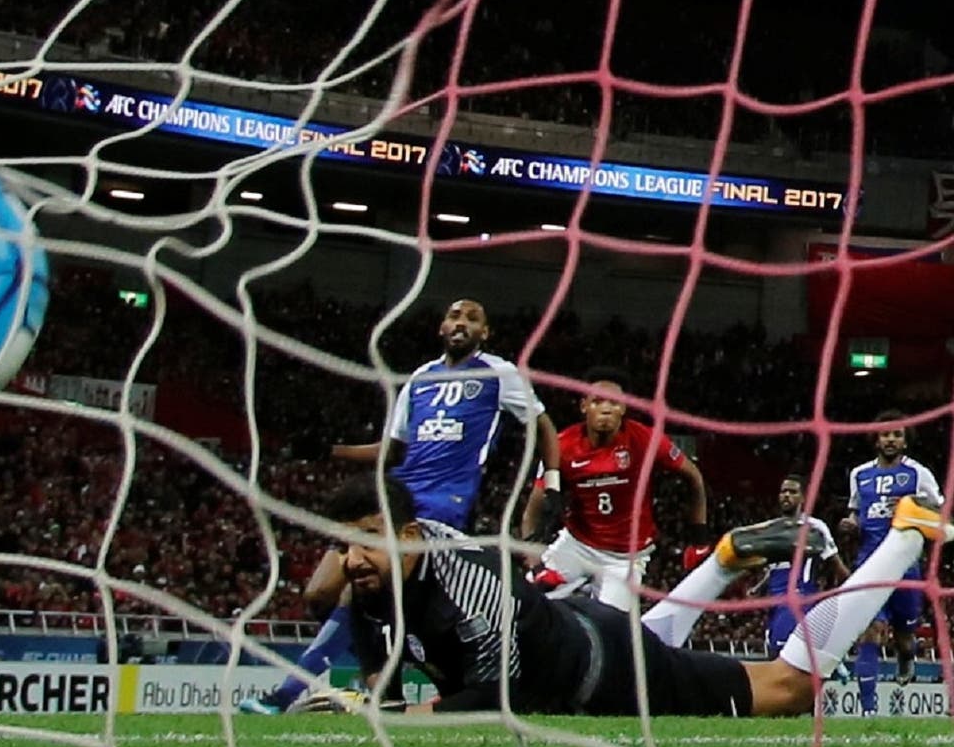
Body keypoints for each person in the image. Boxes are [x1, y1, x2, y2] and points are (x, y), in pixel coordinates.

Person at [325, 472, 951, 717]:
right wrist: (366, 704)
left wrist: (397, 716)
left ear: (409, 536)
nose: (352, 561)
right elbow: (375, 655)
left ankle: (904, 534)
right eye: (344, 545)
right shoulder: (386, 567)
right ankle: (725, 559)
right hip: (581, 629)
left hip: (606, 669)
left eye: (367, 542)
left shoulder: (471, 590)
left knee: (789, 689)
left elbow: (510, 700)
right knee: (648, 643)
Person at [240, 299, 561, 715]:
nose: (461, 322)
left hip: (444, 505)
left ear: (486, 333)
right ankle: (384, 675)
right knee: (320, 592)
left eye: (472, 318)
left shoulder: (499, 374)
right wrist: (331, 450)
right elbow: (392, 451)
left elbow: (544, 425)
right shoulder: (420, 380)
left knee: (358, 594)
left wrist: (551, 483)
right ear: (441, 327)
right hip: (393, 498)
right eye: (453, 316)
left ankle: (284, 696)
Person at [521, 366, 710, 613]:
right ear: (584, 406)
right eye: (598, 401)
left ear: (624, 408)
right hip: (577, 545)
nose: (607, 408)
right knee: (528, 600)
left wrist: (700, 538)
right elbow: (531, 511)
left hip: (625, 558)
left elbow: (694, 477)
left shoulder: (644, 440)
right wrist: (536, 568)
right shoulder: (561, 446)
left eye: (614, 402)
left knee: (612, 628)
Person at [838, 410, 942, 714]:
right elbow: (855, 512)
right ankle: (867, 711)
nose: (891, 439)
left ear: (905, 441)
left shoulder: (918, 474)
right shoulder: (859, 475)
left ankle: (906, 657)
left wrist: (915, 504)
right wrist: (850, 523)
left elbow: (940, 512)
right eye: (886, 434)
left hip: (906, 566)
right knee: (871, 630)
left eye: (896, 434)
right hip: (869, 563)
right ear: (876, 439)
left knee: (905, 638)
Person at [757, 474, 849, 659]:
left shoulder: (814, 528)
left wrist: (856, 591)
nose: (786, 496)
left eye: (792, 492)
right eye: (783, 491)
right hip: (775, 602)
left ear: (803, 497)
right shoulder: (771, 529)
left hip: (798, 600)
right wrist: (759, 587)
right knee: (775, 658)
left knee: (783, 662)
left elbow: (836, 564)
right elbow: (777, 566)